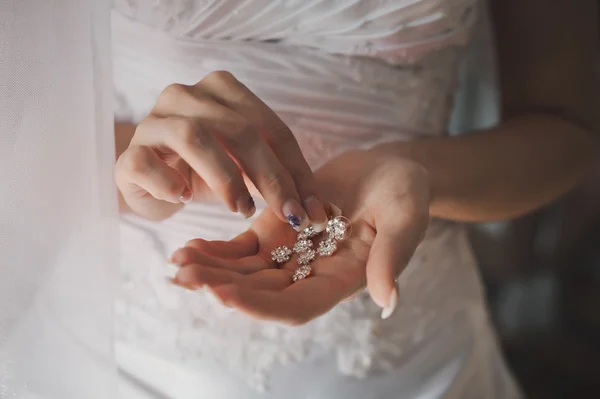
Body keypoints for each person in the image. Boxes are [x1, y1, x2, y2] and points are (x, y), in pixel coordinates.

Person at [1, 0, 595, 398]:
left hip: (408, 366)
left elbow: (567, 131)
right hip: (114, 354)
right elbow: (21, 118)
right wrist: (130, 173)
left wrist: (420, 173)